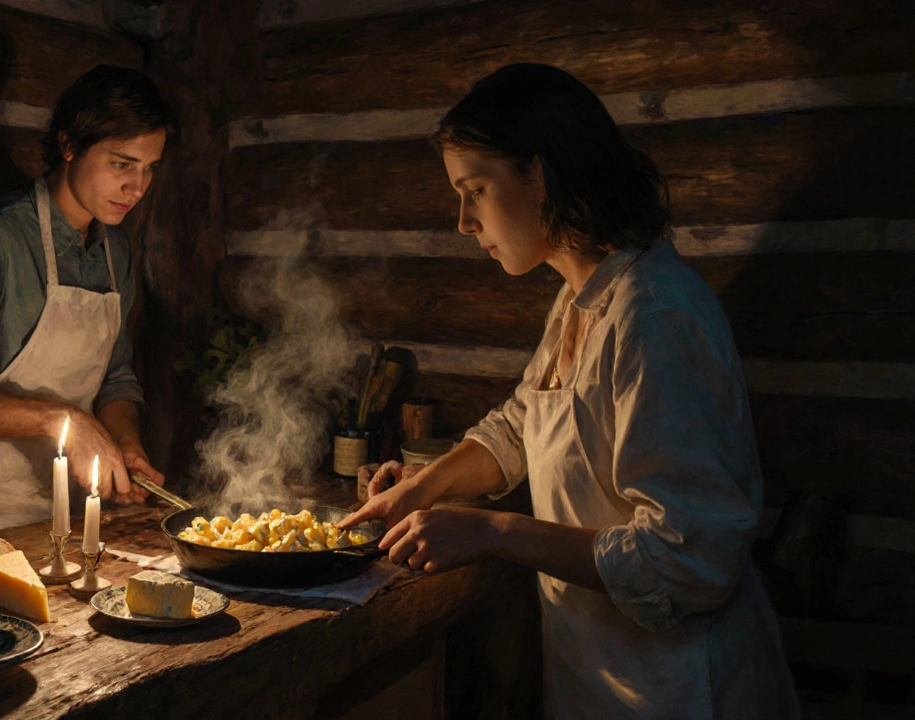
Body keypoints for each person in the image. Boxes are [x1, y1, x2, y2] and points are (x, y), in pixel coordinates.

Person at [341, 64, 800, 719]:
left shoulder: (654, 316)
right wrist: (422, 488)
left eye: (475, 189)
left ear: (542, 172)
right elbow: (527, 418)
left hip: (685, 689)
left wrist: (495, 530)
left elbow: (686, 559)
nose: (464, 221)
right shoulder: (581, 297)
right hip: (604, 676)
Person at [0, 65, 173, 540]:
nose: (137, 188)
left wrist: (123, 442)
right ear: (69, 146)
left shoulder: (114, 250)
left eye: (149, 169)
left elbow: (115, 376)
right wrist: (63, 421)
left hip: (68, 517)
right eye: (122, 164)